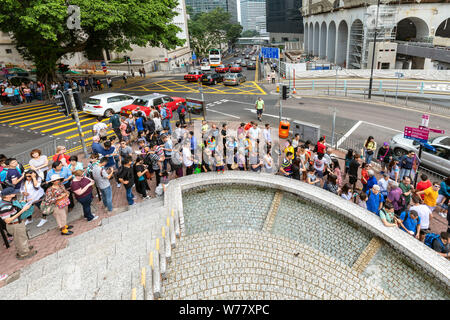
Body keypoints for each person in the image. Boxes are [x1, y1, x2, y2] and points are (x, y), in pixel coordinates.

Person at [0, 187, 37, 260]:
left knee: (20, 239)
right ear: (7, 195)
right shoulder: (4, 206)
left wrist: (26, 201)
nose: (15, 193)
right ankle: (24, 253)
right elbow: (7, 220)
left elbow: (15, 205)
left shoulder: (7, 201)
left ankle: (23, 248)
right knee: (20, 239)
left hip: (16, 224)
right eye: (13, 192)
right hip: (15, 225)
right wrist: (23, 210)